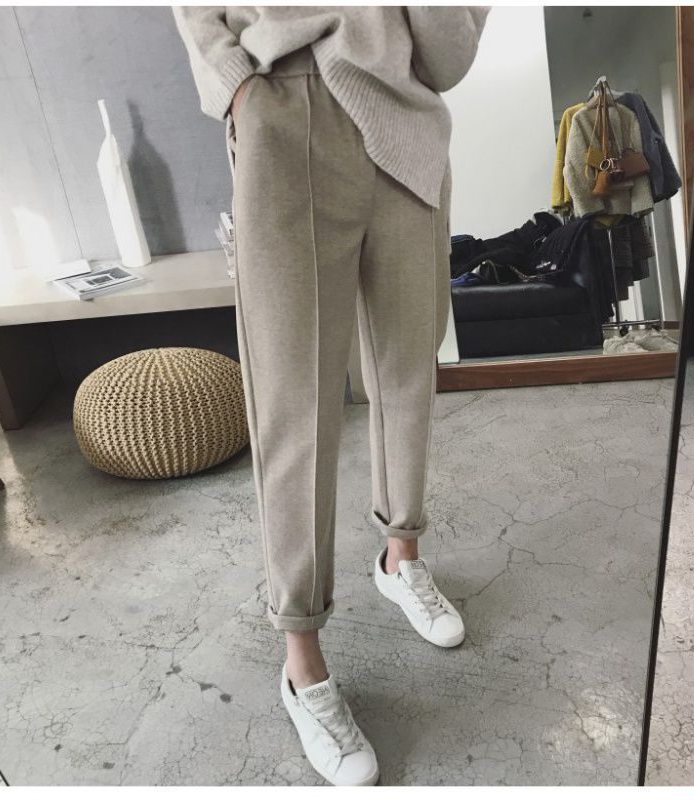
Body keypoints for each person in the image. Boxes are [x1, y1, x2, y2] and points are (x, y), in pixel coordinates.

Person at [173, 5, 490, 786]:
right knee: (295, 400)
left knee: (408, 368)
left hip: (406, 117)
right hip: (281, 102)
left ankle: (400, 555)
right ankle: (302, 661)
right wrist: (237, 83)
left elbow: (450, 53)